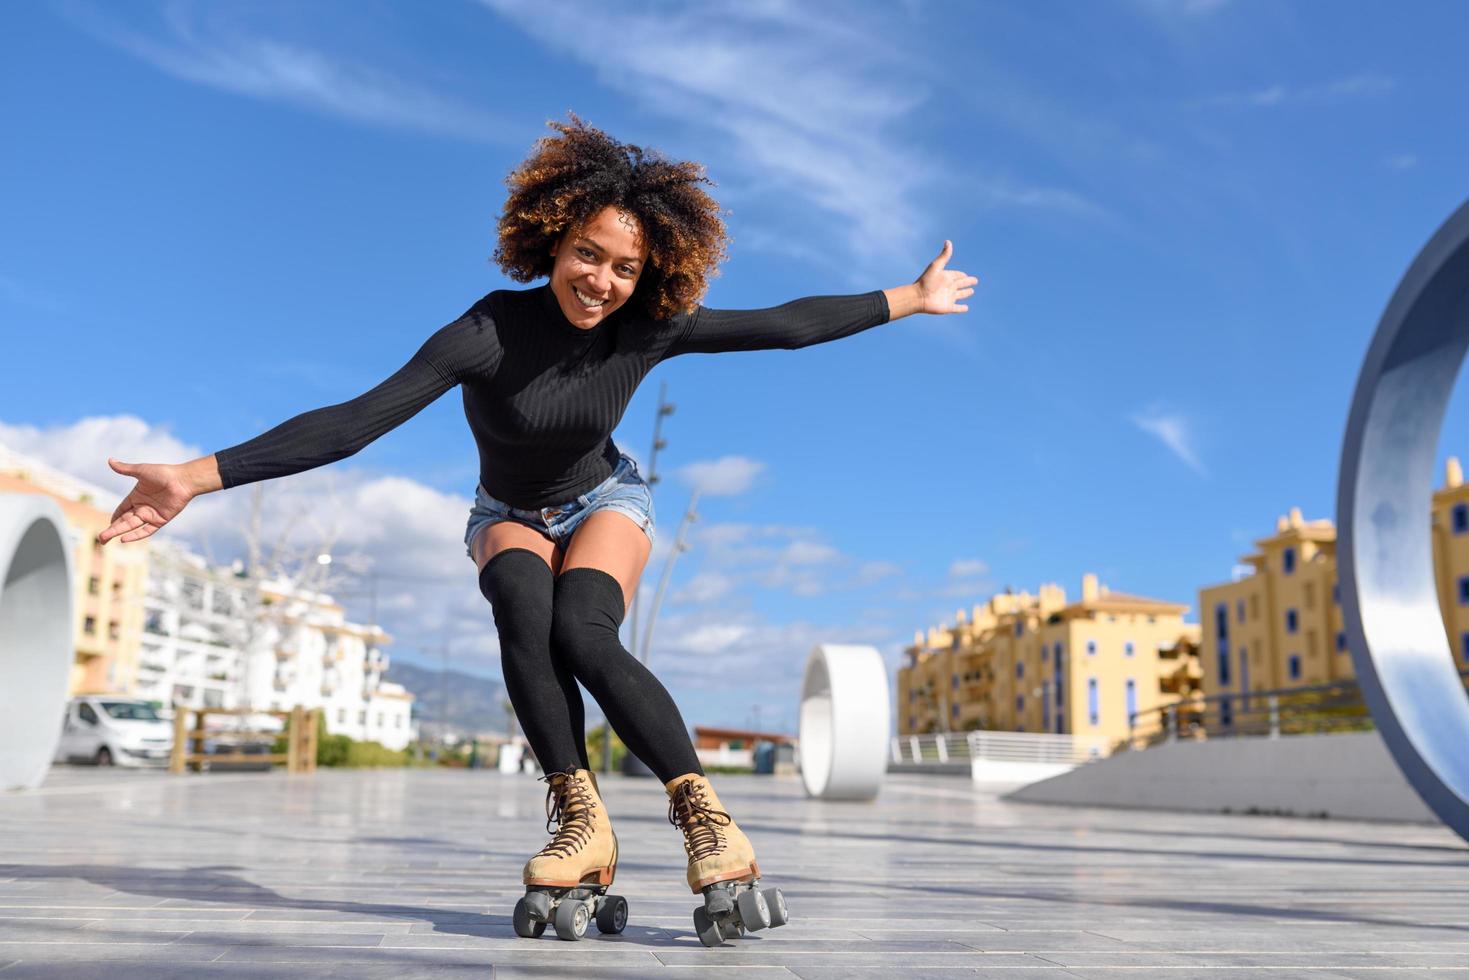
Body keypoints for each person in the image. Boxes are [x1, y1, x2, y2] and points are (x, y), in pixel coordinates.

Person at [97, 114, 977, 938]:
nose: (600, 282)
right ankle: (579, 818)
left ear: (648, 273)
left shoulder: (647, 330)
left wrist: (910, 295)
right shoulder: (486, 331)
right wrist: (195, 476)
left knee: (583, 633)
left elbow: (782, 327)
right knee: (522, 603)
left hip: (605, 499)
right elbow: (355, 421)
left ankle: (706, 820)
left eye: (623, 269)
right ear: (551, 241)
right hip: (507, 511)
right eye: (586, 256)